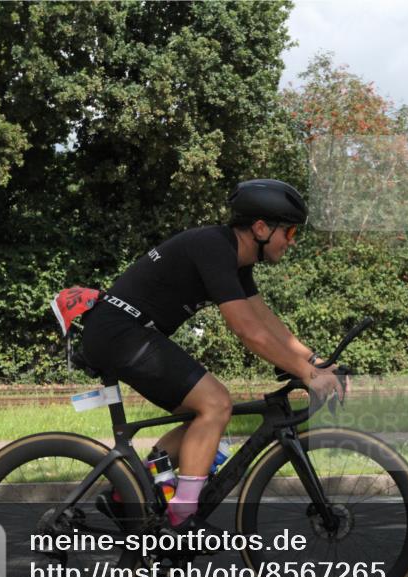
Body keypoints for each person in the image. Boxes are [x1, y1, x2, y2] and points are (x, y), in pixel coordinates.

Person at [76, 179, 345, 535]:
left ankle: (128, 495)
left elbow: (267, 321)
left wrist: (314, 362)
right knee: (216, 403)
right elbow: (246, 328)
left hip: (127, 333)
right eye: (290, 231)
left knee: (203, 418)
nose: (292, 241)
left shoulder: (236, 258)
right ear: (261, 228)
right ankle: (182, 518)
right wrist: (308, 376)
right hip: (120, 333)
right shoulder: (214, 247)